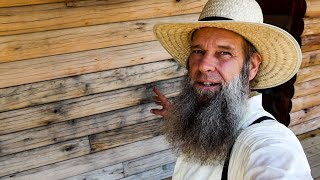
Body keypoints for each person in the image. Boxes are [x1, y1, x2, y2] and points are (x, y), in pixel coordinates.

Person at [150, 0, 313, 179]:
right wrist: (182, 115)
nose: (204, 66)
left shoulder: (269, 144)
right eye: (198, 51)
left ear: (252, 66)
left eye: (224, 53)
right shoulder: (210, 116)